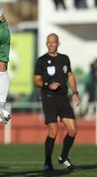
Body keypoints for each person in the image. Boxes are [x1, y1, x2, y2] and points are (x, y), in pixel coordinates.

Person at [34, 33, 81, 171]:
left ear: (58, 44)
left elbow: (70, 76)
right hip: (48, 98)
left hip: (63, 98)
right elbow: (36, 80)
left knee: (73, 130)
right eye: (48, 42)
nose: (51, 44)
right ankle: (48, 162)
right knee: (53, 131)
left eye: (53, 42)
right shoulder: (41, 61)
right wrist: (48, 85)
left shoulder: (64, 59)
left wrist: (75, 93)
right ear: (46, 44)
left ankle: (63, 157)